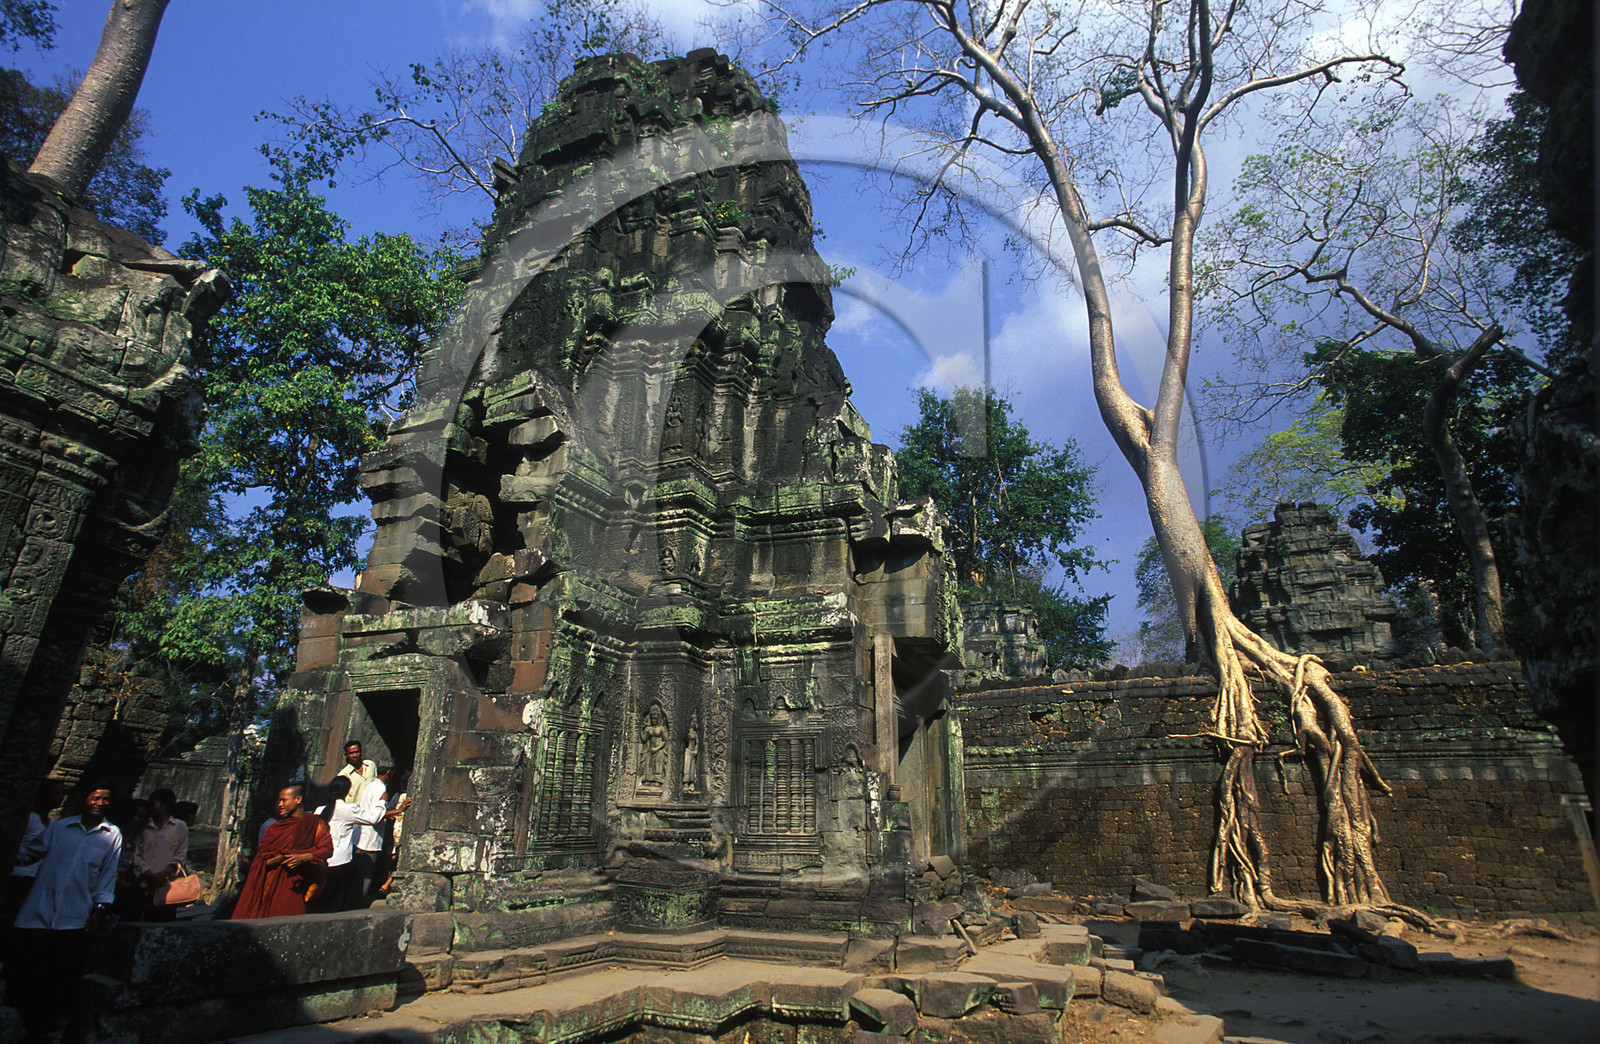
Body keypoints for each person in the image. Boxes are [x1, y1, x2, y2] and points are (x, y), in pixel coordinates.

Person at [8, 784, 121, 1037]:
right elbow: (29, 854)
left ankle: (48, 1023)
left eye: (106, 799)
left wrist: (99, 908)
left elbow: (106, 875)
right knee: (28, 968)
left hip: (74, 914)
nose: (100, 803)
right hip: (38, 910)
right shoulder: (60, 828)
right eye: (95, 798)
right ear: (85, 800)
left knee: (58, 973)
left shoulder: (112, 834)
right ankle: (22, 1019)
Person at [230, 784, 331, 920]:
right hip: (271, 883)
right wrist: (281, 858)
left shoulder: (315, 824)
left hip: (299, 883)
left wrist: (304, 857)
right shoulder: (275, 828)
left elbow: (327, 849)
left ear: (298, 799)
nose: (280, 804)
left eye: (284, 800)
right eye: (279, 800)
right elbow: (261, 861)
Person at [312, 776, 382, 912]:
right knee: (336, 900)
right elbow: (373, 819)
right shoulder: (348, 809)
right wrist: (382, 803)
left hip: (320, 859)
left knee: (320, 898)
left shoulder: (320, 810)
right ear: (348, 792)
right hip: (340, 860)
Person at [5, 778, 66, 917]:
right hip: (16, 875)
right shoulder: (29, 818)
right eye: (56, 794)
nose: (61, 797)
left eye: (62, 793)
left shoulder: (52, 824)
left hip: (34, 879)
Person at [131, 788, 188, 914]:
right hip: (142, 882)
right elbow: (135, 854)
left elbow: (180, 853)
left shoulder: (179, 827)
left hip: (166, 883)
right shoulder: (144, 827)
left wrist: (165, 873)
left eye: (153, 804)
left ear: (165, 805)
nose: (150, 808)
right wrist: (148, 873)